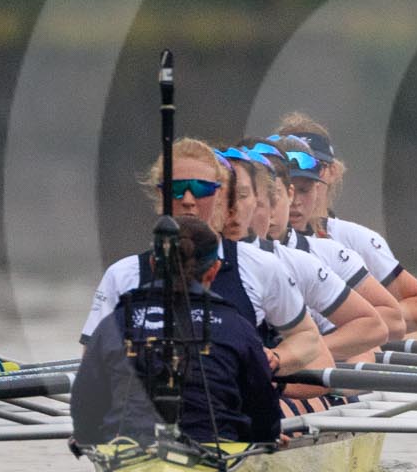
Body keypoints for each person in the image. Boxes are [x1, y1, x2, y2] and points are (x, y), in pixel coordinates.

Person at [80, 138, 332, 375]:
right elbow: (92, 363)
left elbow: (307, 339)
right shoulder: (122, 274)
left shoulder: (261, 266)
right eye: (177, 189)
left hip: (232, 410)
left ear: (221, 196)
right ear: (160, 196)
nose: (189, 200)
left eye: (201, 189)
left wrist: (276, 359)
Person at [69, 216, 281, 448]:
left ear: (152, 264)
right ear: (214, 270)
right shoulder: (237, 327)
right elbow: (265, 412)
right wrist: (266, 440)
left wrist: (85, 437)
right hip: (216, 450)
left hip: (127, 451)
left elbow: (84, 400)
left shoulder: (115, 323)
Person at [217, 147, 392, 359]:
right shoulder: (184, 260)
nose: (234, 210)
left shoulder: (300, 260)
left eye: (245, 198)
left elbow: (373, 329)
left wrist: (283, 358)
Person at [269, 120, 417, 333]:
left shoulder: (351, 241)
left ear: (331, 172)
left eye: (316, 168)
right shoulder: (249, 245)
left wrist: (350, 318)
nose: (295, 199)